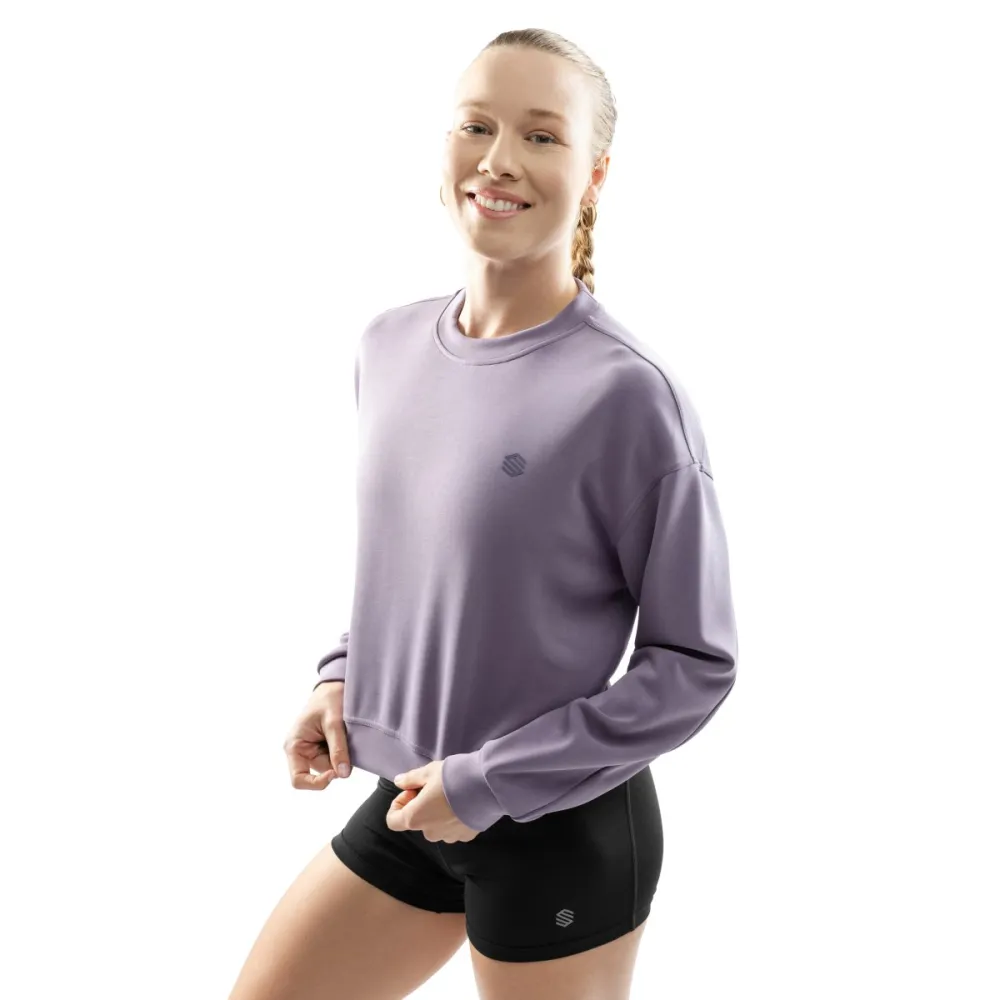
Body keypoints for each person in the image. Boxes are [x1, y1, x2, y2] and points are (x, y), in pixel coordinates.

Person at [228, 27, 738, 1000]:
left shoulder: (627, 396)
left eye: (542, 136)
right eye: (477, 125)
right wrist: (343, 680)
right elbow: (423, 572)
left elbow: (695, 664)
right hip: (414, 801)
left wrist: (490, 781)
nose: (499, 159)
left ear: (594, 175)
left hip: (560, 832)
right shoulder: (387, 347)